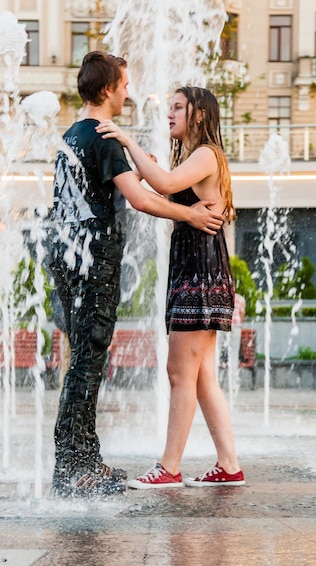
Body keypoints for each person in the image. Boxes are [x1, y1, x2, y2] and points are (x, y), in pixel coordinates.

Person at [48, 55, 225, 498]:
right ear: (108, 90)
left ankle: (80, 457)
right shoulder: (105, 138)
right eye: (125, 84)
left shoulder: (72, 134)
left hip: (69, 259)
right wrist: (188, 213)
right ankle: (74, 464)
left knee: (82, 362)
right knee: (88, 363)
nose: (130, 92)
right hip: (96, 261)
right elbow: (144, 199)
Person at [97, 85, 245, 488]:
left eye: (179, 107)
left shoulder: (205, 154)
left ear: (199, 114)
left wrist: (127, 141)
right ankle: (229, 466)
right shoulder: (197, 156)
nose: (170, 113)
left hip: (198, 273)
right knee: (201, 377)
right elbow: (160, 189)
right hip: (200, 269)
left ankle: (169, 467)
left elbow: (161, 184)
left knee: (179, 373)